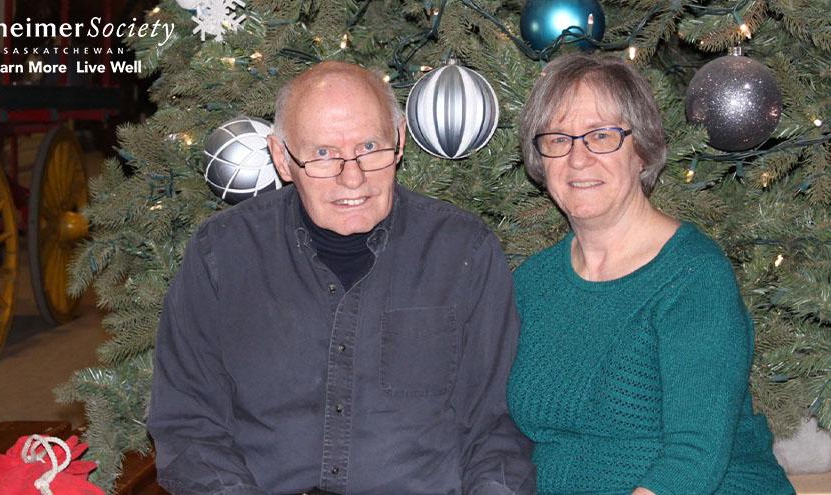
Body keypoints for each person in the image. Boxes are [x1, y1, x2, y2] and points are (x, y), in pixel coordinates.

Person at [148, 61, 534, 494]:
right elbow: (188, 425)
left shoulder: (464, 251)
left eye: (369, 146)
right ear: (281, 158)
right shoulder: (221, 254)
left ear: (400, 141)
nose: (353, 177)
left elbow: (498, 429)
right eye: (323, 154)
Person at [507, 53, 794, 495]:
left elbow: (693, 458)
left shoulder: (692, 277)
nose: (577, 159)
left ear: (640, 151)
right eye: (558, 139)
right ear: (540, 160)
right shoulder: (531, 285)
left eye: (601, 136)